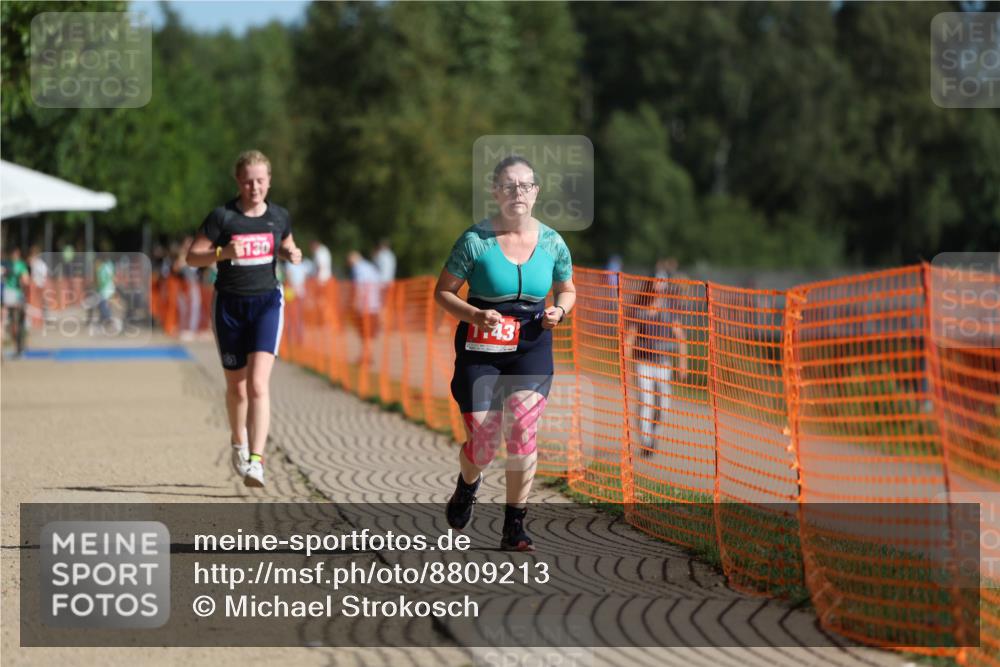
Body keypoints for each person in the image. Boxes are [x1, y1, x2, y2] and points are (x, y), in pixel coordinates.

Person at [434, 156, 576, 551]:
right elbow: (442, 293)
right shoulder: (474, 241)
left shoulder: (552, 242)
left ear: (536, 192)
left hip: (532, 343)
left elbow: (567, 289)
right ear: (496, 192)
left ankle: (515, 525)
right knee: (483, 441)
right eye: (509, 186)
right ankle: (468, 483)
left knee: (522, 432)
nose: (518, 193)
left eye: (526, 186)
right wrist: (476, 314)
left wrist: (559, 311)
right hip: (482, 346)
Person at [185, 150, 302, 487]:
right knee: (236, 388)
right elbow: (193, 257)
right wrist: (222, 253)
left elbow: (285, 244)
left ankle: (256, 460)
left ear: (269, 181)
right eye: (248, 181)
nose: (254, 187)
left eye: (260, 181)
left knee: (257, 385)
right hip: (229, 307)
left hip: (266, 304)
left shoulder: (279, 216)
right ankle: (239, 442)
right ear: (238, 181)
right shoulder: (222, 217)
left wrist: (291, 252)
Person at [623, 278, 688, 456]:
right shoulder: (639, 311)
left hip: (662, 363)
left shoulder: (668, 311)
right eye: (655, 290)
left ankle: (652, 432)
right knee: (646, 401)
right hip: (643, 363)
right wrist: (626, 368)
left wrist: (683, 362)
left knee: (663, 405)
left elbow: (681, 337)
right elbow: (629, 340)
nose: (657, 294)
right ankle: (646, 441)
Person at [2, 247, 30, 357]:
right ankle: (19, 348)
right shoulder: (21, 265)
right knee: (18, 323)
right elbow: (26, 281)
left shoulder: (5, 264)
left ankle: (15, 347)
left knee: (8, 323)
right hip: (17, 296)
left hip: (7, 295)